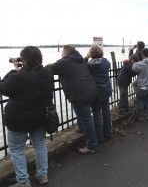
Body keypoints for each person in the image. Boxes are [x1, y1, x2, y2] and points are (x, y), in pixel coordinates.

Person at [0, 46, 53, 187]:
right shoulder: (47, 73)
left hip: (18, 120)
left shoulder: (18, 76)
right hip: (40, 117)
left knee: (17, 149)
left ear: (24, 60)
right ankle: (42, 175)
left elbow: (3, 88)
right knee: (40, 145)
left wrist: (14, 69)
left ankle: (23, 181)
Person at [47, 45, 98, 154]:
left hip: (79, 94)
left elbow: (48, 69)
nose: (61, 54)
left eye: (62, 52)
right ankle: (81, 129)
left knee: (87, 119)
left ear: (65, 52)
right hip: (90, 90)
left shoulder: (64, 62)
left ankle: (91, 145)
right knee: (85, 115)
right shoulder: (81, 60)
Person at [85, 45, 113, 143]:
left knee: (96, 114)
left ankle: (99, 137)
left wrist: (86, 57)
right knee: (106, 112)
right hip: (105, 89)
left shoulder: (88, 65)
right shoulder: (106, 62)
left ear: (91, 54)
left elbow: (82, 65)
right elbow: (104, 60)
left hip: (95, 91)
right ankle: (108, 133)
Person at [132, 48, 148, 121]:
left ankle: (139, 117)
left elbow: (134, 68)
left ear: (143, 55)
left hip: (143, 87)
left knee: (140, 102)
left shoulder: (141, 64)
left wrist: (134, 62)